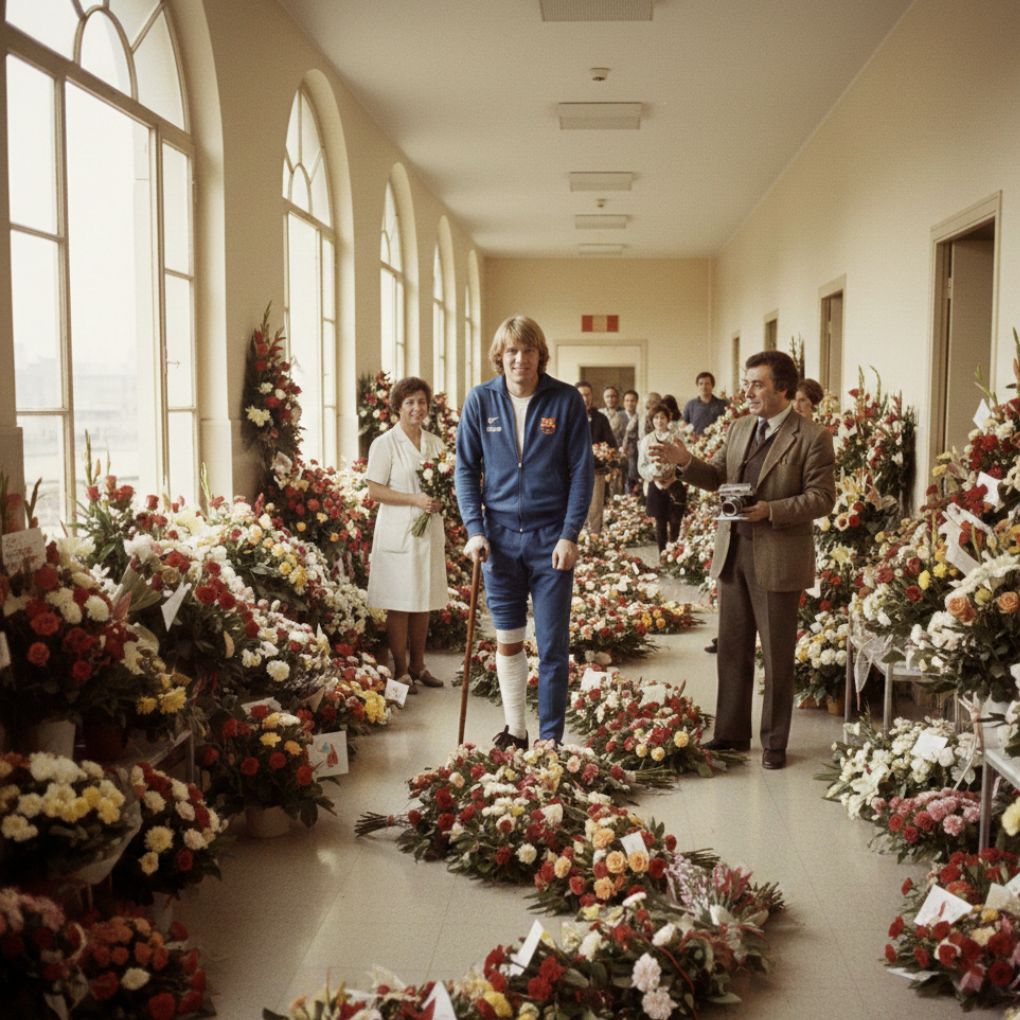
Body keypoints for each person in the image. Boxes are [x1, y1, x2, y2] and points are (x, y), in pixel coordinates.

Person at [651, 350, 835, 769]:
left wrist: (772, 510)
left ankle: (774, 741)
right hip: (734, 550)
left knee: (776, 653)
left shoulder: (811, 436)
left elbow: (822, 498)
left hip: (778, 555)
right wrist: (685, 463)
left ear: (783, 389)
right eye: (746, 382)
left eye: (757, 384)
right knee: (733, 648)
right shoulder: (738, 430)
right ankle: (731, 732)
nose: (747, 391)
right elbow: (718, 475)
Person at [456, 316, 593, 747]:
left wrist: (569, 535)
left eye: (528, 351)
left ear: (540, 356)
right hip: (498, 542)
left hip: (550, 541)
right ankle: (516, 728)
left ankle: (549, 739)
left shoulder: (566, 400)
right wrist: (475, 530)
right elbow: (465, 469)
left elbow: (581, 472)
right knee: (509, 639)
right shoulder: (480, 401)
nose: (520, 359)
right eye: (511, 351)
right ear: (501, 356)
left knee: (552, 647)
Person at [365, 376, 448, 693]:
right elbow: (374, 490)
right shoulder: (384, 444)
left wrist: (440, 499)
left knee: (423, 599)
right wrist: (414, 499)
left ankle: (419, 665)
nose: (417, 408)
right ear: (397, 407)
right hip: (398, 530)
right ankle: (400, 670)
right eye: (410, 402)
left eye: (422, 402)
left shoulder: (435, 444)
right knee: (399, 602)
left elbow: (444, 480)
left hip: (428, 530)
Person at [638, 402, 687, 552]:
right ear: (652, 420)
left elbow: (685, 458)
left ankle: (674, 553)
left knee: (675, 520)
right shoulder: (647, 440)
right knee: (660, 522)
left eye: (662, 418)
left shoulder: (676, 437)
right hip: (656, 484)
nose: (659, 421)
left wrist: (674, 476)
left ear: (668, 419)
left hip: (674, 482)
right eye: (656, 418)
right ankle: (662, 554)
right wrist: (654, 475)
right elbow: (641, 466)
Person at [577, 380, 618, 534]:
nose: (585, 398)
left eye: (588, 395)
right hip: (572, 471)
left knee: (595, 508)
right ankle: (575, 541)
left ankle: (594, 542)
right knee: (575, 507)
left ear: (592, 396)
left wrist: (603, 452)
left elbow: (611, 444)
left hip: (596, 470)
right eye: (581, 395)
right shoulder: (568, 416)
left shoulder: (601, 418)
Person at [601, 385, 628, 497]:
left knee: (617, 486)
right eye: (607, 396)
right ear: (604, 398)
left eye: (613, 396)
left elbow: (626, 436)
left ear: (617, 398)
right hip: (601, 454)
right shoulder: (599, 413)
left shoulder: (624, 415)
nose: (610, 399)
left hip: (618, 454)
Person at [622, 389, 641, 495]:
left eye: (632, 400)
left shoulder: (641, 417)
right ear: (623, 402)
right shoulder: (618, 416)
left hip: (636, 453)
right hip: (621, 452)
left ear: (636, 402)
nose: (630, 403)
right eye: (627, 400)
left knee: (634, 480)